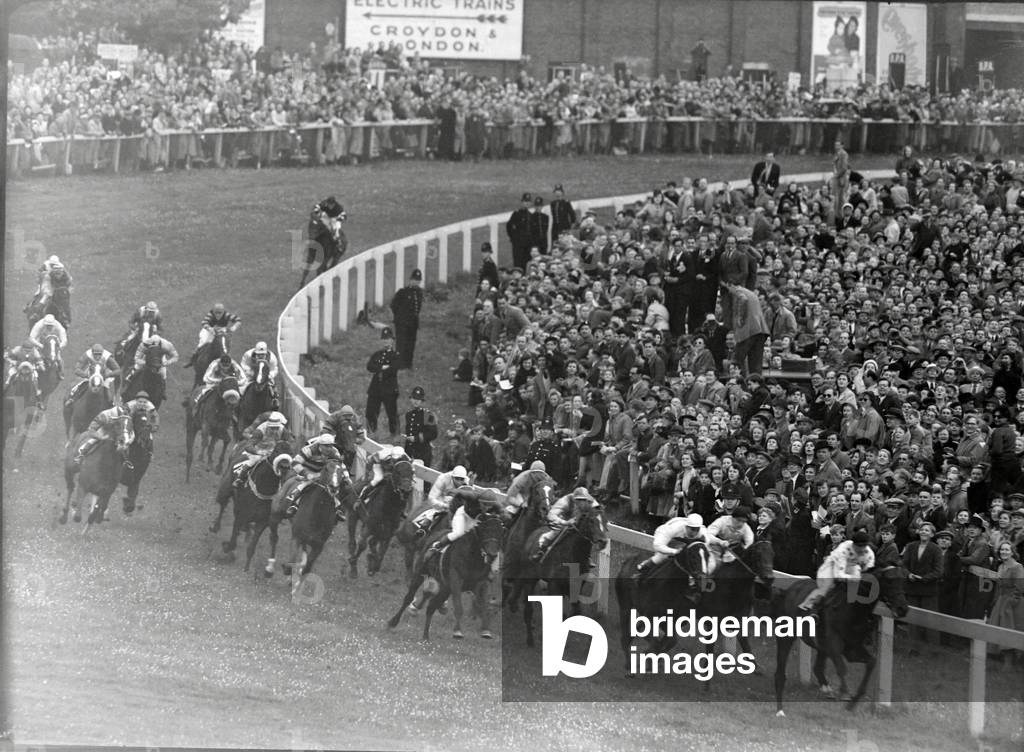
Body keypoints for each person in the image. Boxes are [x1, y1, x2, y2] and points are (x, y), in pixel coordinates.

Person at [798, 529, 875, 611]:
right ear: (853, 544)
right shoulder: (843, 550)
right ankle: (808, 606)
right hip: (832, 566)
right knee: (827, 586)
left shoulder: (869, 553)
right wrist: (853, 578)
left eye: (863, 546)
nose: (861, 549)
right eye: (858, 546)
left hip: (852, 567)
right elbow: (839, 575)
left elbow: (869, 569)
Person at [275, 434, 347, 520]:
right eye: (326, 446)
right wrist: (307, 474)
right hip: (306, 472)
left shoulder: (334, 451)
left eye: (331, 446)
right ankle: (294, 505)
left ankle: (337, 509)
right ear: (320, 445)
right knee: (304, 486)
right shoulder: (308, 450)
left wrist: (346, 476)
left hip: (323, 473)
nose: (329, 448)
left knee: (332, 488)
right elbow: (295, 463)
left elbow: (339, 465)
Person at [71, 396, 154, 467]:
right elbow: (91, 429)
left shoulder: (127, 414)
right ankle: (81, 454)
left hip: (119, 433)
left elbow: (129, 429)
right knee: (93, 440)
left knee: (126, 444)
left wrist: (127, 441)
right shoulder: (106, 414)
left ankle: (126, 461)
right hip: (106, 430)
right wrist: (101, 437)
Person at [427, 486, 503, 557]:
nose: (486, 507)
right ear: (479, 501)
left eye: (489, 506)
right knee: (458, 533)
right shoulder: (472, 496)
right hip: (463, 515)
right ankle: (437, 546)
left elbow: (504, 513)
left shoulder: (496, 506)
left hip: (475, 519)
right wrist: (451, 492)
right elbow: (459, 492)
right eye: (484, 504)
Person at [531, 487, 600, 561]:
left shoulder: (591, 501)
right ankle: (542, 551)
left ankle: (587, 558)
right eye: (579, 500)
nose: (582, 503)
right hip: (565, 519)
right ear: (574, 499)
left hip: (580, 522)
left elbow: (598, 512)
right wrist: (565, 522)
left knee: (588, 535)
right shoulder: (565, 501)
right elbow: (550, 515)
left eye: (584, 500)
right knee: (554, 532)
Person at [634, 512, 709, 577]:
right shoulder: (673, 528)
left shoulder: (703, 533)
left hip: (683, 540)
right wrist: (674, 551)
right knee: (662, 557)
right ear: (686, 526)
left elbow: (705, 549)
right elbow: (657, 545)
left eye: (697, 529)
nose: (695, 533)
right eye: (692, 529)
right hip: (668, 536)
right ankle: (643, 569)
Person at [231, 411, 289, 488]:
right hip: (259, 450)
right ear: (268, 426)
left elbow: (289, 443)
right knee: (254, 461)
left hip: (274, 452)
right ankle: (239, 479)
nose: (275, 431)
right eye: (272, 428)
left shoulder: (283, 430)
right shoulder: (260, 430)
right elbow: (248, 445)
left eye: (276, 428)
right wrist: (258, 452)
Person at [724, 282, 769, 376]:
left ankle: (737, 383)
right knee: (755, 364)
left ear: (729, 285)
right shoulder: (750, 293)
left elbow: (743, 299)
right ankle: (755, 384)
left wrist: (740, 317)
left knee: (736, 360)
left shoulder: (737, 291)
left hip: (748, 331)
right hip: (760, 330)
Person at [366, 327, 401, 437]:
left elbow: (393, 368)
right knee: (371, 412)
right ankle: (371, 433)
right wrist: (382, 367)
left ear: (392, 340)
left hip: (389, 388)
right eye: (384, 339)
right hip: (375, 387)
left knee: (392, 413)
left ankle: (394, 434)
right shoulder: (377, 354)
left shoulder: (396, 355)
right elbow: (370, 366)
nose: (386, 341)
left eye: (388, 338)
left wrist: (380, 368)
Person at [184, 303, 241, 367]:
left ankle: (227, 359)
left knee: (225, 343)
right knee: (202, 344)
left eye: (220, 313)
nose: (218, 315)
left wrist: (233, 328)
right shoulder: (210, 314)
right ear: (213, 311)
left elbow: (238, 320)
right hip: (209, 330)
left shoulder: (226, 315)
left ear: (223, 311)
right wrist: (211, 329)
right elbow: (204, 323)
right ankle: (192, 359)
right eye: (216, 313)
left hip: (222, 330)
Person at [705, 505, 755, 574]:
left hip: (733, 551)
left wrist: (741, 552)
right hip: (715, 549)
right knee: (713, 565)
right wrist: (720, 542)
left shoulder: (746, 528)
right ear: (732, 517)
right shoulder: (722, 520)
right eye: (738, 520)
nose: (740, 524)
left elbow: (750, 543)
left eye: (743, 521)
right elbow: (708, 534)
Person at [390, 269, 424, 370]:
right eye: (414, 280)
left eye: (418, 280)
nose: (416, 282)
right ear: (410, 280)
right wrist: (399, 317)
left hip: (413, 323)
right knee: (401, 343)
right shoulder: (403, 292)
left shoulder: (419, 292)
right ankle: (400, 364)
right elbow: (394, 305)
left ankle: (408, 363)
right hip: (402, 322)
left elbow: (418, 307)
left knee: (411, 343)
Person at [321, 404, 366, 469]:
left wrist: (355, 440)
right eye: (345, 416)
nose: (348, 418)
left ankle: (348, 469)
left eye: (350, 416)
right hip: (336, 440)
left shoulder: (356, 419)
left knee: (352, 451)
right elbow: (325, 430)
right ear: (341, 414)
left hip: (350, 441)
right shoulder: (334, 416)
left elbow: (361, 436)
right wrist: (329, 439)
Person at [403, 385, 438, 466]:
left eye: (418, 399)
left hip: (423, 452)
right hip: (409, 451)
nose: (416, 401)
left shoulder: (428, 415)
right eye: (414, 398)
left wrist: (416, 438)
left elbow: (433, 434)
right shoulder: (408, 415)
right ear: (410, 399)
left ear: (422, 401)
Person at [239, 341, 280, 407]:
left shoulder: (272, 358)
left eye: (263, 354)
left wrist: (269, 375)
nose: (261, 356)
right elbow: (244, 365)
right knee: (243, 385)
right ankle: (240, 400)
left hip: (265, 375)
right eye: (258, 354)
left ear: (266, 353)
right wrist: (251, 373)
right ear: (255, 353)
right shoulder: (248, 355)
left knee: (273, 387)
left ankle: (275, 400)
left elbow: (274, 369)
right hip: (251, 374)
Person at [506, 193, 534, 271]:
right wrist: (513, 239)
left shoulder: (530, 215)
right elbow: (509, 226)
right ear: (522, 202)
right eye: (525, 201)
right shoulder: (517, 214)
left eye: (528, 202)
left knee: (527, 264)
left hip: (528, 245)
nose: (527, 203)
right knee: (518, 265)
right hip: (518, 245)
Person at [832, 139, 851, 206]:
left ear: (842, 146)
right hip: (837, 178)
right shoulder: (837, 154)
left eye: (838, 145)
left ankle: (842, 212)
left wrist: (837, 175)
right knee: (836, 197)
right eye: (836, 145)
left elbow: (844, 168)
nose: (836, 146)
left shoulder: (844, 154)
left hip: (841, 178)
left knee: (841, 197)